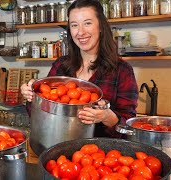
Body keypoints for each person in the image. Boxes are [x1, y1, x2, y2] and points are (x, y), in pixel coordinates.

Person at [20, 0, 138, 138]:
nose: (80, 32)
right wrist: (32, 95)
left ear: (101, 26)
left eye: (87, 23)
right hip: (58, 147)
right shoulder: (61, 66)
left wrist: (107, 117)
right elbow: (39, 113)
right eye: (74, 25)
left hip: (100, 154)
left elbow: (128, 127)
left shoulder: (122, 70)